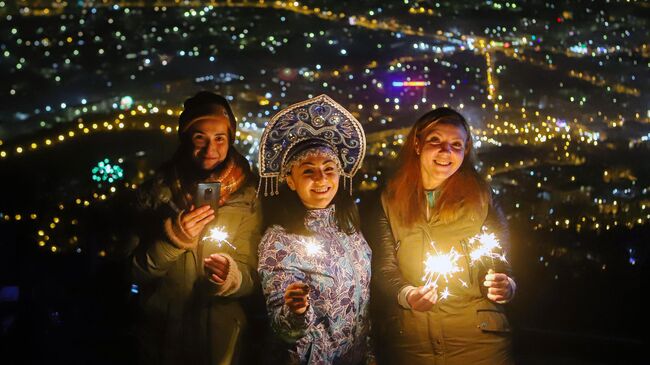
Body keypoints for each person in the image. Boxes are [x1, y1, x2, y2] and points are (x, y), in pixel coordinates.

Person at [366, 107, 516, 365]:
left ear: (466, 150)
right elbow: (383, 266)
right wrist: (407, 294)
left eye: (456, 144)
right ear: (417, 143)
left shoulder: (481, 197)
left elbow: (498, 258)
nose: (446, 152)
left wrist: (506, 286)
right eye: (436, 140)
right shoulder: (388, 200)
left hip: (478, 342)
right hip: (412, 345)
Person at [125, 91, 261, 365]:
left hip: (223, 345)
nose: (210, 150)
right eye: (200, 137)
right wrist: (172, 241)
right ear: (185, 137)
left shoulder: (249, 196)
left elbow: (255, 277)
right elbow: (131, 272)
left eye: (219, 138)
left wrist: (231, 279)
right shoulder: (154, 195)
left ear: (230, 139)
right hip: (163, 339)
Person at [256, 95, 373, 364]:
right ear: (290, 180)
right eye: (309, 171)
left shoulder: (350, 228)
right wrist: (296, 310)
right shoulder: (280, 241)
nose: (321, 179)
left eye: (329, 169)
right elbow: (283, 327)